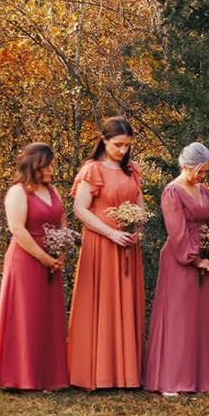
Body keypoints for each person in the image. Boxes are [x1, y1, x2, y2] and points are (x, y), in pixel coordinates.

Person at [67, 116, 146, 390]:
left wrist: (136, 227)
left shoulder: (131, 170)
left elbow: (140, 204)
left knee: (126, 303)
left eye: (127, 146)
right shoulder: (92, 169)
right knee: (102, 304)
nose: (123, 151)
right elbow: (80, 210)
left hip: (128, 245)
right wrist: (111, 233)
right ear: (104, 140)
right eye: (118, 145)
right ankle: (96, 373)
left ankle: (126, 374)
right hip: (101, 244)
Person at [0, 143, 69, 391]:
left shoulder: (53, 190)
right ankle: (20, 378)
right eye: (49, 164)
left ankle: (48, 378)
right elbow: (18, 230)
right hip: (25, 261)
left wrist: (62, 251)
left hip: (53, 260)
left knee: (48, 317)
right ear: (36, 164)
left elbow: (62, 220)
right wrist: (42, 257)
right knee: (25, 316)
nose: (52, 169)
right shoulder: (18, 192)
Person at [144, 143, 209, 395]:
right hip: (180, 259)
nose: (202, 177)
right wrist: (195, 259)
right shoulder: (172, 192)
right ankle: (172, 379)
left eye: (205, 173)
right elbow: (176, 231)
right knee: (179, 318)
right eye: (200, 172)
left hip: (205, 259)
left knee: (200, 318)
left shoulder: (204, 191)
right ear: (187, 166)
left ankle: (199, 379)